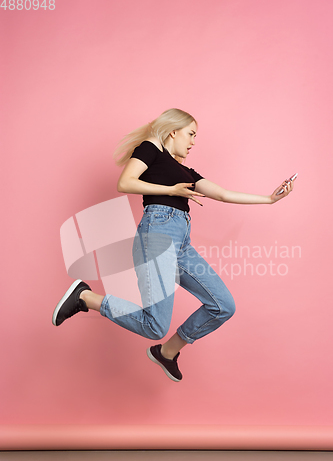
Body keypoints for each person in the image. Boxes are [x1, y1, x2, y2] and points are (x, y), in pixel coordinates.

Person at [52, 108, 295, 382]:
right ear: (173, 131)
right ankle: (86, 297)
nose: (193, 142)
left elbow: (224, 194)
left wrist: (270, 199)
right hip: (157, 233)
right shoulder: (151, 149)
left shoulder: (185, 170)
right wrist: (171, 190)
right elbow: (125, 182)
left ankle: (167, 352)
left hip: (180, 242)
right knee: (154, 325)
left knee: (223, 305)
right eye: (191, 134)